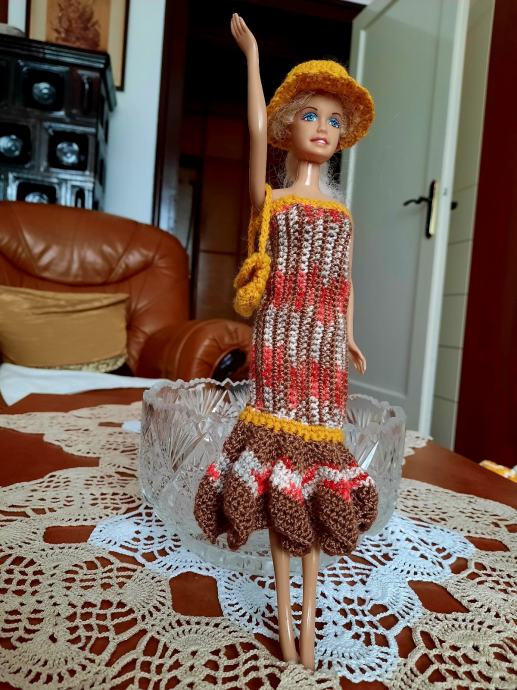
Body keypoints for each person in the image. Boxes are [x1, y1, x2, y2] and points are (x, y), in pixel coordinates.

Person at [194, 13, 378, 670]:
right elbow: (252, 131)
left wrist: (349, 337)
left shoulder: (342, 213)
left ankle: (309, 616)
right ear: (289, 128)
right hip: (278, 342)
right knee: (279, 470)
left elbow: (345, 281)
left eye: (334, 120)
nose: (323, 127)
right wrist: (250, 58)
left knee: (315, 464)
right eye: (310, 115)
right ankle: (285, 615)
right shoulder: (271, 201)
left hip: (324, 354)